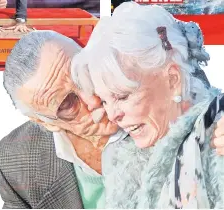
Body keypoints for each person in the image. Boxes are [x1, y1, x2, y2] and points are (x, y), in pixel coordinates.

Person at [71, 2, 224, 208]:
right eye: (105, 100)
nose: (112, 114)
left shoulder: (217, 138)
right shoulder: (121, 162)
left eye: (122, 96)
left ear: (173, 79)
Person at [0, 30, 125, 208]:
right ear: (44, 122)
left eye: (84, 75)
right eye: (67, 104)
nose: (93, 99)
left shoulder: (157, 103)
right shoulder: (15, 162)